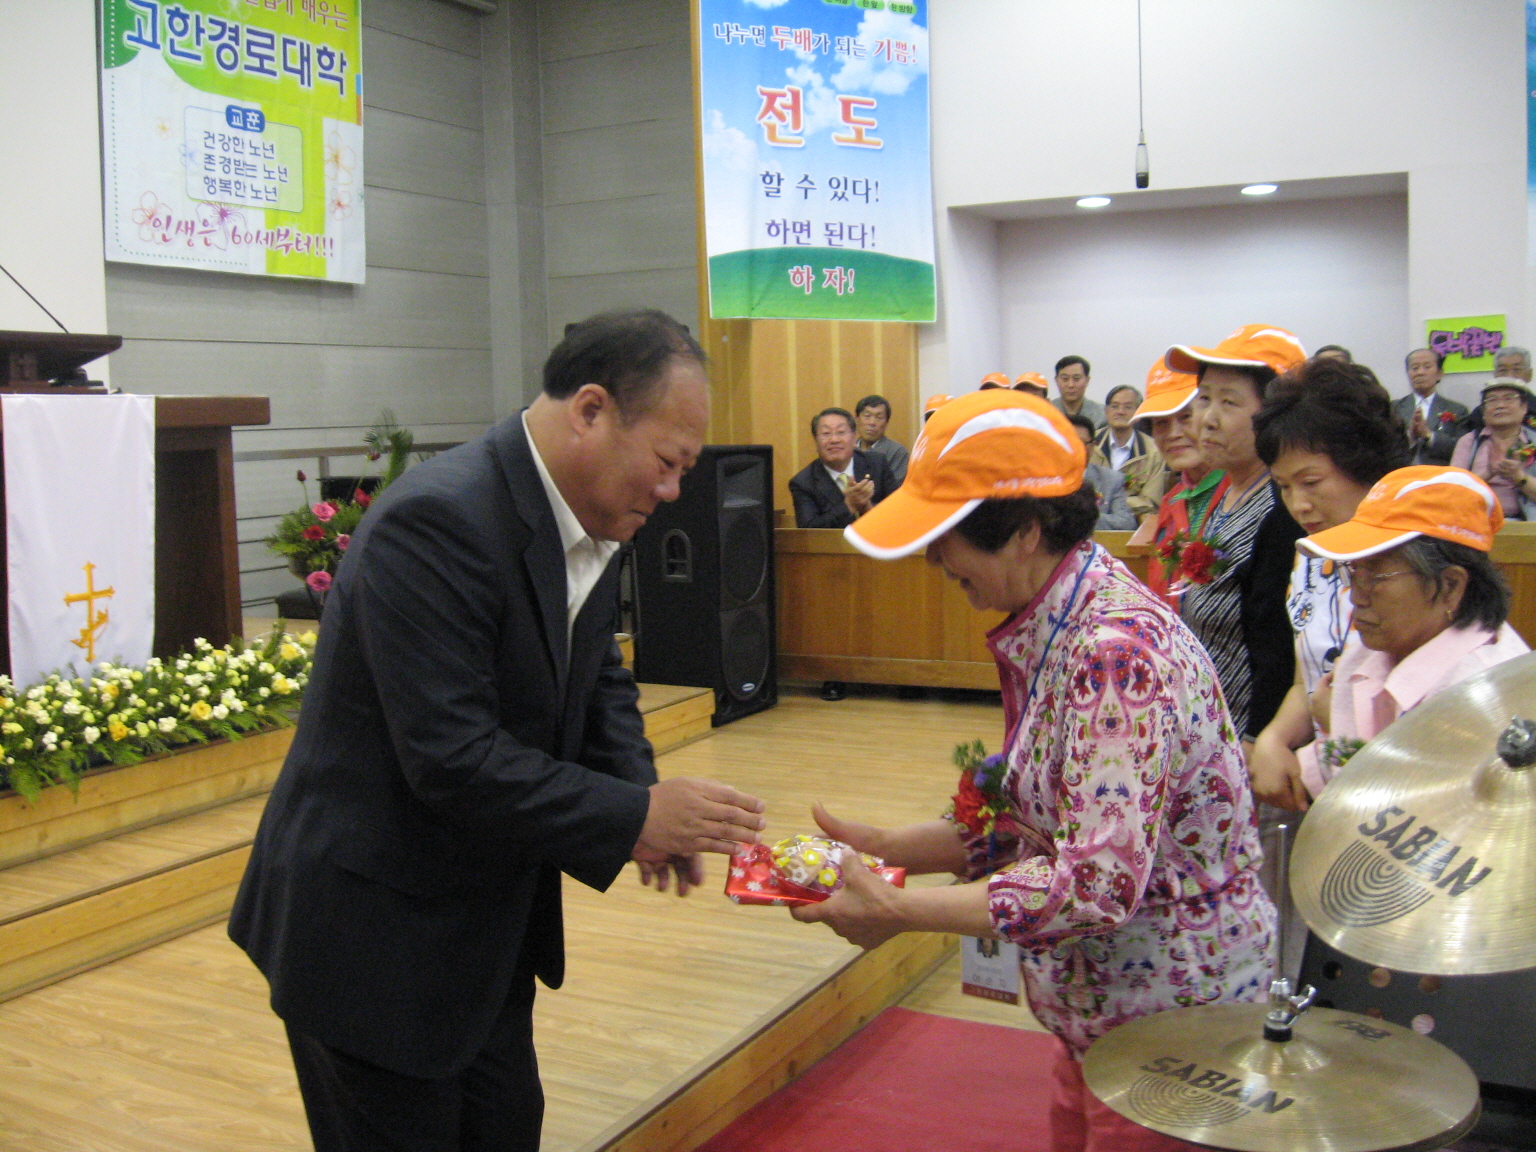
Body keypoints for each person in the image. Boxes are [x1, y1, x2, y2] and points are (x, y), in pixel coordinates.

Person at [229, 310, 769, 1152]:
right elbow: (451, 757)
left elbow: (598, 674)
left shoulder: (593, 513)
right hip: (374, 936)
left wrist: (641, 795)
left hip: (479, 930)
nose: (671, 492)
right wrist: (632, 818)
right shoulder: (439, 521)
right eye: (667, 463)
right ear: (591, 410)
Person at [791, 390, 1276, 1152]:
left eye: (946, 537)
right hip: (1104, 1016)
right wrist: (883, 848)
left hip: (1169, 1033)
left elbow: (1093, 883)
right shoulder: (1061, 621)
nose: (933, 559)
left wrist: (902, 912)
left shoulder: (1112, 655)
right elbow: (1042, 816)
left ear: (1023, 532)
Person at [1291, 466, 1528, 799]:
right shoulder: (1367, 653)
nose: (1356, 596)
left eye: (1376, 576)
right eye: (1354, 571)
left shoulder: (1487, 701)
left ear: (1451, 586)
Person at [1248, 359, 1410, 812]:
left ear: (1365, 465)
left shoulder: (1415, 566)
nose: (1298, 504)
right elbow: (1309, 678)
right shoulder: (1310, 555)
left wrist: (1339, 720)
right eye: (1283, 486)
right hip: (1329, 786)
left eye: (1311, 481)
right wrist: (1274, 737)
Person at [1164, 324, 1307, 744]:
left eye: (1228, 402)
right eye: (1204, 397)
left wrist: (1257, 741)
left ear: (1275, 415)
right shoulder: (1226, 489)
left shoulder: (1284, 511)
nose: (1206, 419)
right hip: (1207, 726)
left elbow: (1278, 650)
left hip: (1248, 739)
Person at [1127, 360, 1224, 606]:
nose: (1173, 434)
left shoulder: (1243, 494)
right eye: (1161, 423)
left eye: (1186, 417)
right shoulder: (1171, 501)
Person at [789, 407, 897, 530]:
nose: (834, 440)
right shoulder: (803, 482)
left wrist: (867, 507)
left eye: (841, 432)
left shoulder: (877, 463)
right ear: (815, 440)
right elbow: (808, 531)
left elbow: (898, 512)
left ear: (854, 437)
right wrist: (849, 505)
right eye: (826, 433)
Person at [1450, 378, 1536, 519]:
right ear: (1483, 412)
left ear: (1524, 408)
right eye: (1492, 400)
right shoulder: (1469, 442)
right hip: (1476, 521)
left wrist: (1519, 477)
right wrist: (1488, 473)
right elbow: (1453, 493)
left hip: (1528, 524)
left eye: (1509, 398)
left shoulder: (1533, 440)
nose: (1500, 405)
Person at [1093, 384, 1166, 520]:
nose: (1120, 412)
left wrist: (1112, 504)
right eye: (1115, 406)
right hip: (1090, 517)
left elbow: (1151, 501)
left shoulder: (1154, 451)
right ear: (1106, 411)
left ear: (1139, 413)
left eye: (1127, 407)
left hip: (1134, 519)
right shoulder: (1089, 444)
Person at [1393, 348, 1467, 466]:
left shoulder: (1457, 410)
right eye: (1415, 368)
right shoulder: (1393, 408)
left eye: (1427, 367)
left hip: (1439, 473)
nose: (1420, 372)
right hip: (1401, 472)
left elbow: (1462, 449)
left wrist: (1429, 435)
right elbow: (1384, 447)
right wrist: (1410, 436)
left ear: (1439, 374)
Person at [1065, 413, 1136, 530]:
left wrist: (1084, 518)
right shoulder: (1044, 478)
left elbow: (1126, 523)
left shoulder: (1112, 480)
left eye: (1082, 443)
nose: (1076, 448)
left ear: (1093, 446)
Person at [854, 393, 909, 484]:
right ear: (856, 419)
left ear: (886, 423)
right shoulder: (848, 449)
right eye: (867, 416)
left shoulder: (896, 452)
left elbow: (896, 488)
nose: (872, 422)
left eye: (879, 417)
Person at [1050, 355, 1105, 429]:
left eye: (1076, 379)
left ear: (1087, 380)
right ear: (1056, 380)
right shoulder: (1045, 411)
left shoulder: (1102, 415)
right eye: (1065, 379)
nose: (1071, 385)